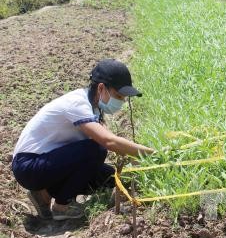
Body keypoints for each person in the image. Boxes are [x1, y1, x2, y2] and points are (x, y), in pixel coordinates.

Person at [11, 59, 154, 220]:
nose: (121, 102)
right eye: (119, 96)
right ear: (101, 88)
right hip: (28, 166)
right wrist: (152, 154)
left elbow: (111, 140)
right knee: (96, 149)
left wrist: (136, 160)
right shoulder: (77, 103)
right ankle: (61, 207)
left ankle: (44, 194)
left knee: (110, 178)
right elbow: (109, 141)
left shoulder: (95, 109)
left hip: (48, 162)